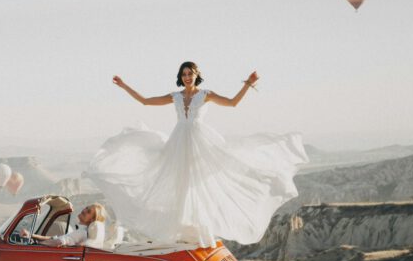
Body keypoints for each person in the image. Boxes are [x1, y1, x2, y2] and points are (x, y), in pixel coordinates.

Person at [86, 61, 308, 251]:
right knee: (178, 185)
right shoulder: (175, 96)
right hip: (178, 144)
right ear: (180, 77)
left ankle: (200, 231)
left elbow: (232, 103)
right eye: (183, 74)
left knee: (198, 186)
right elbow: (145, 101)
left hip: (200, 143)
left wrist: (248, 85)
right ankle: (181, 231)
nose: (187, 77)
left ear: (196, 75)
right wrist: (124, 85)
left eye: (190, 73)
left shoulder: (206, 95)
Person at [23, 204, 106, 249]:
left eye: (88, 211)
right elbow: (56, 238)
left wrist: (36, 244)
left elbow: (59, 242)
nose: (84, 210)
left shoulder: (82, 233)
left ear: (92, 220)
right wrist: (32, 235)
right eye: (86, 208)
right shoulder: (83, 231)